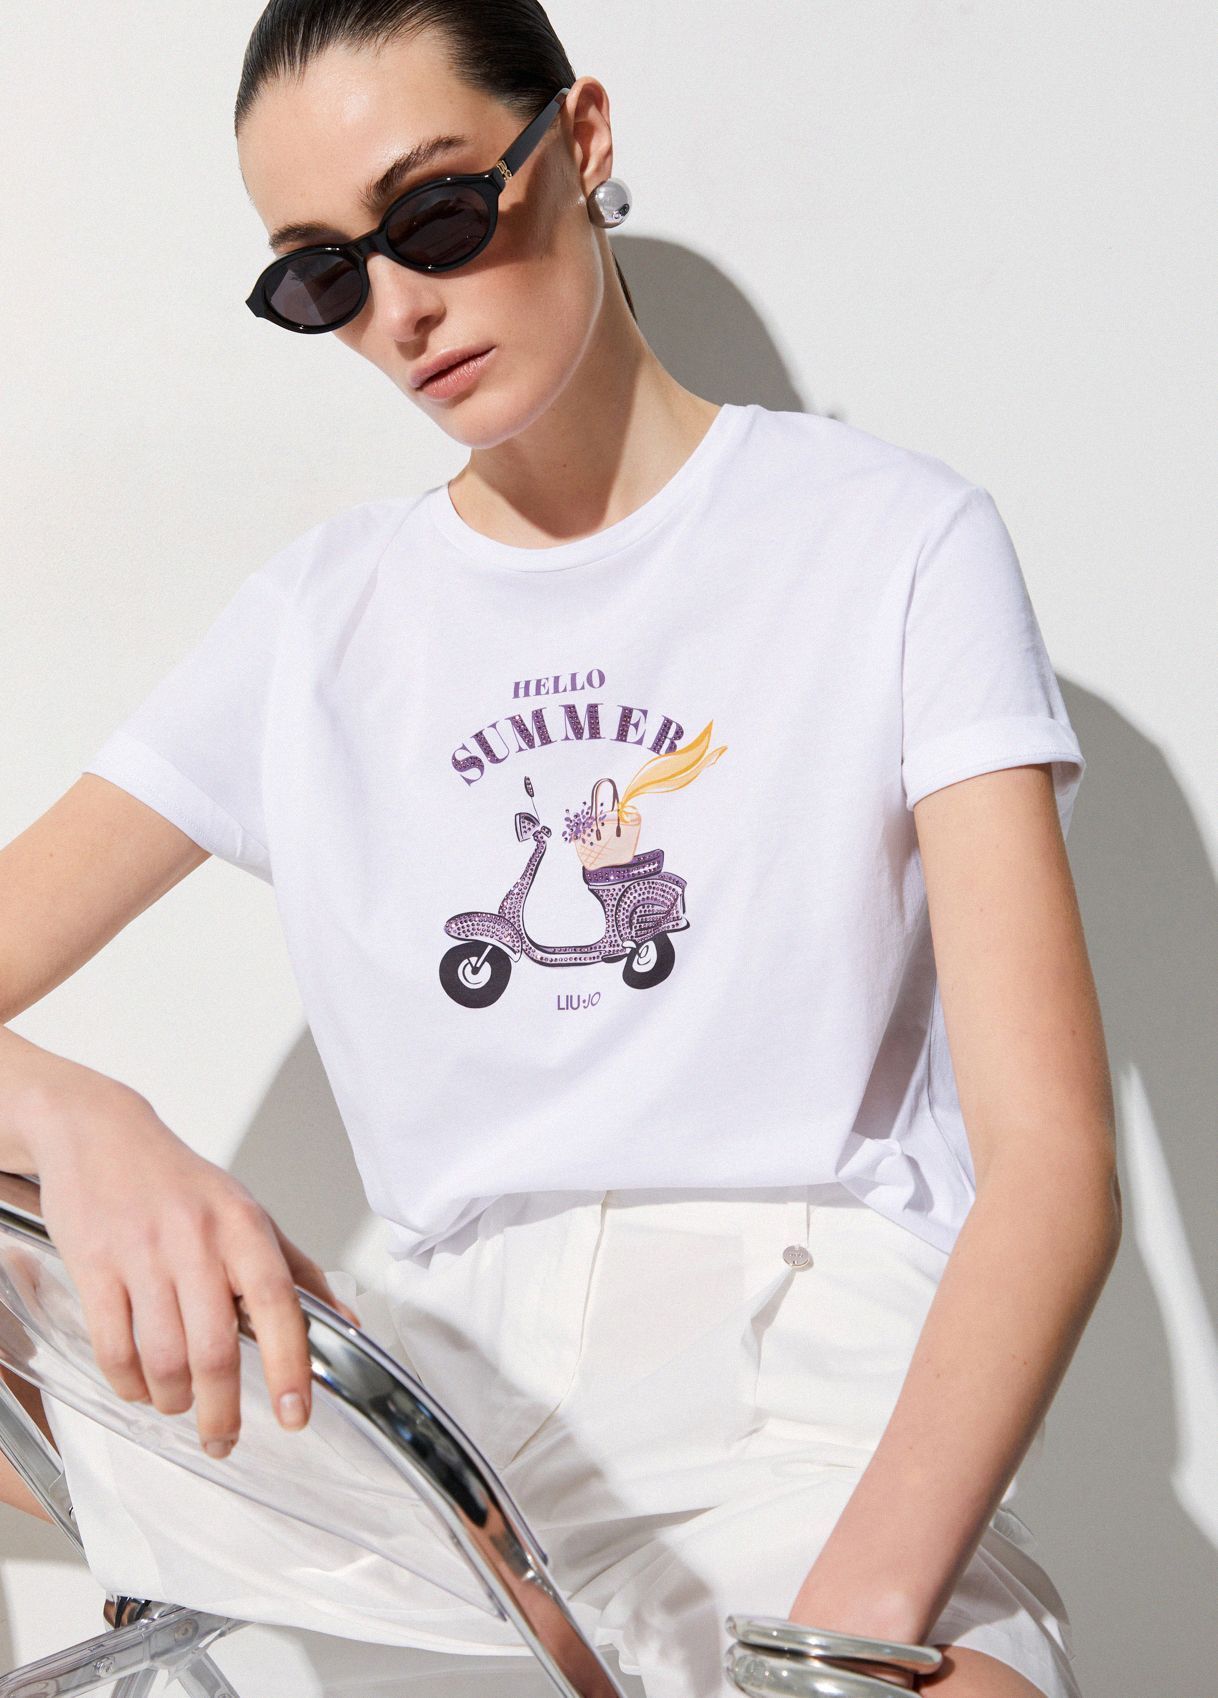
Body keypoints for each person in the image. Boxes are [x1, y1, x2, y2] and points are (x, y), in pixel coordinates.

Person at [0, 3, 1120, 1696]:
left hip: (809, 1420)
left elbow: (1049, 1164)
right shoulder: (317, 622)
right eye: (321, 277)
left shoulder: (889, 543)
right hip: (432, 1450)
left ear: (580, 141)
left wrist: (841, 1642)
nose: (397, 309)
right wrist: (81, 1119)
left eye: (438, 214)